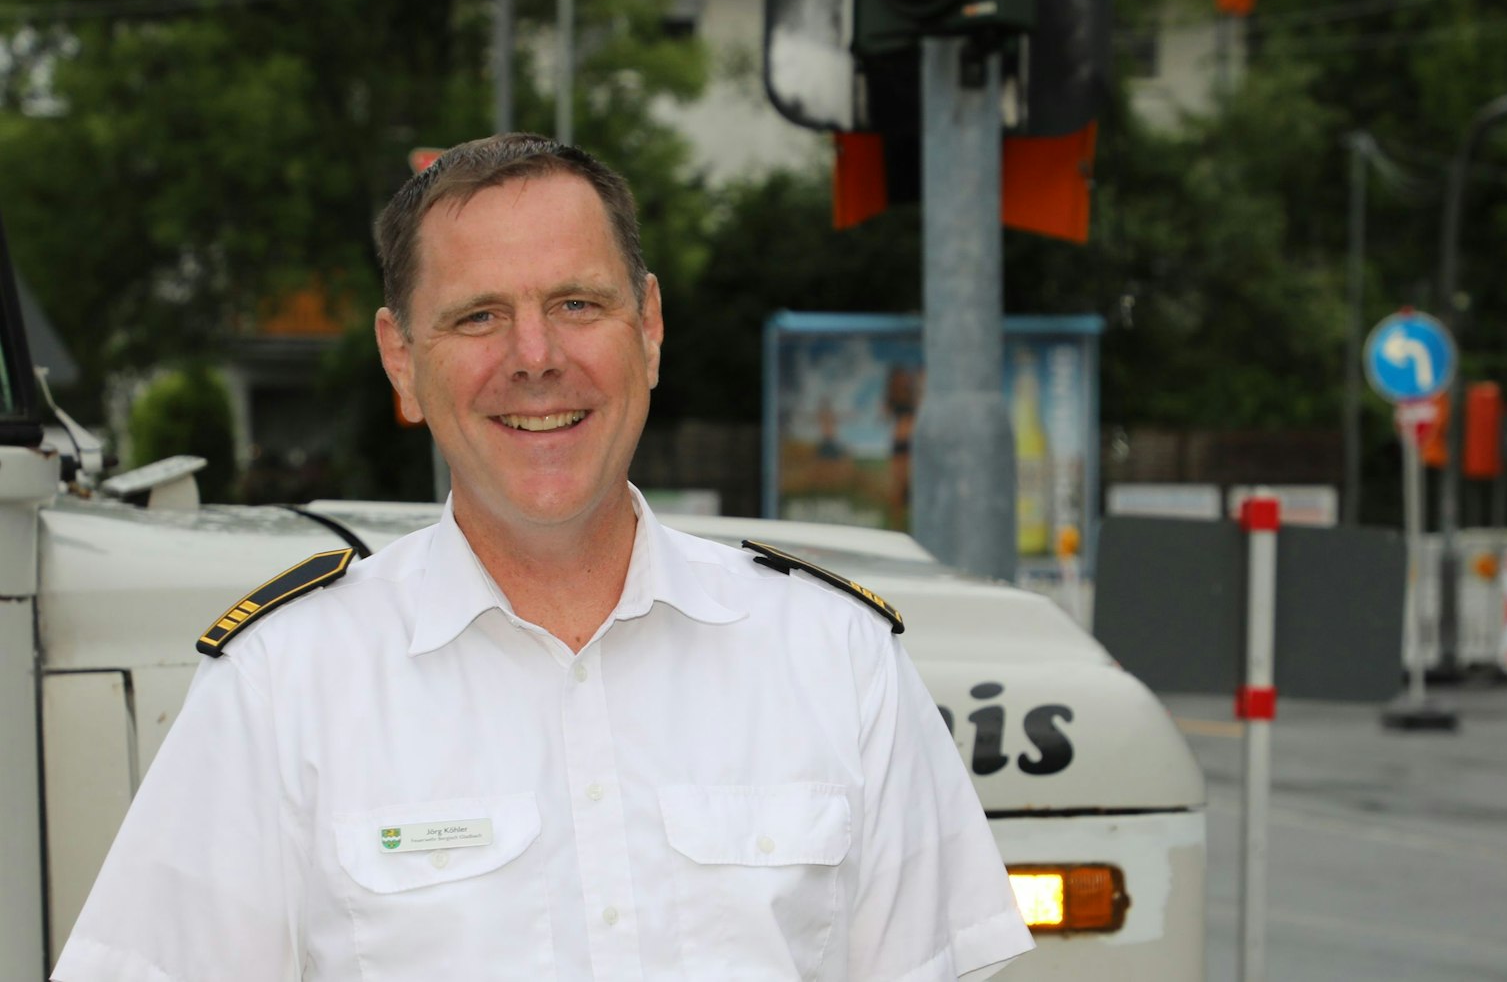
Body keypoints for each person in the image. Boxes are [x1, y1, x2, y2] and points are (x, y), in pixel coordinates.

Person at [53, 134, 1032, 982]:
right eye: (477, 316)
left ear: (647, 329)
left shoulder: (836, 658)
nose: (533, 356)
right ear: (402, 363)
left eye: (575, 303)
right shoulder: (282, 688)